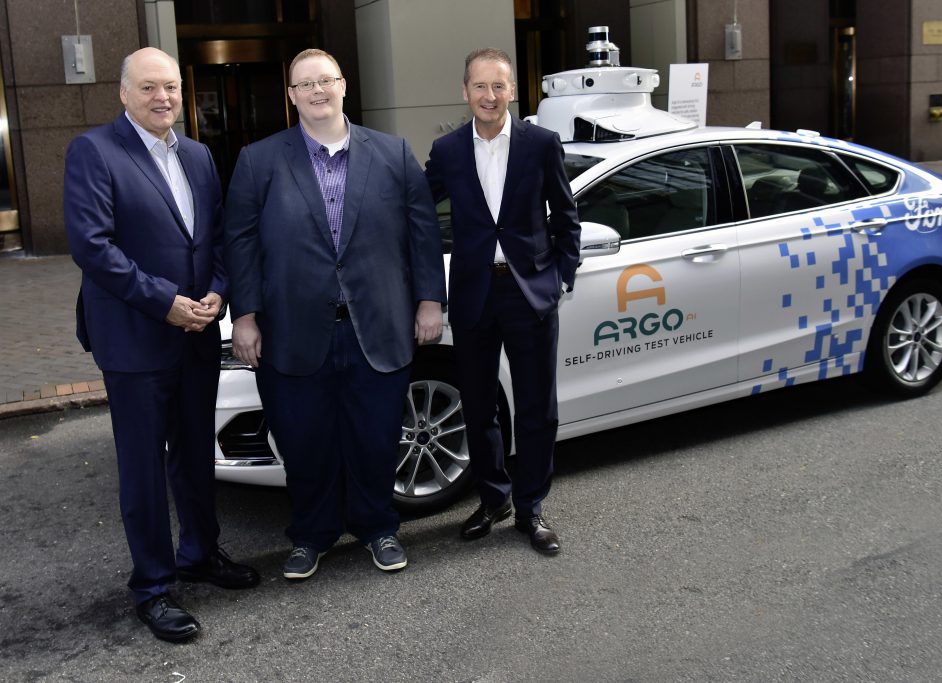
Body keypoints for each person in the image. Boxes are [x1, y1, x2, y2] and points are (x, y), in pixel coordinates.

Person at [223, 49, 446, 580]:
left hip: (379, 326)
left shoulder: (392, 154)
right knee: (305, 443)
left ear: (344, 85)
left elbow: (422, 234)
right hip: (292, 333)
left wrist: (430, 301)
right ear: (292, 96)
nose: (318, 90)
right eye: (306, 83)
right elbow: (240, 244)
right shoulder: (259, 160)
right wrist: (246, 317)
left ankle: (379, 529)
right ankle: (311, 535)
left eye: (326, 80)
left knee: (374, 438)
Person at [63, 47, 260, 643]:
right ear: (124, 94)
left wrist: (217, 295)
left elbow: (218, 237)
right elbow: (93, 246)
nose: (163, 98)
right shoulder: (94, 151)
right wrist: (165, 301)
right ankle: (152, 586)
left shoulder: (198, 155)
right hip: (135, 337)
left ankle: (199, 553)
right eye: (149, 88)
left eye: (171, 87)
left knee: (195, 454)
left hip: (196, 332)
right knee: (144, 468)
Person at [424, 48, 581, 555]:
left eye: (499, 86)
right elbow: (415, 210)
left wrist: (561, 275)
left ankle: (531, 507)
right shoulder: (447, 151)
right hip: (472, 293)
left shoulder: (540, 144)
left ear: (513, 91)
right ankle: (494, 499)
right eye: (479, 86)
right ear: (464, 91)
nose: (489, 96)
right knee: (478, 405)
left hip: (529, 291)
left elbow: (566, 215)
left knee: (537, 408)